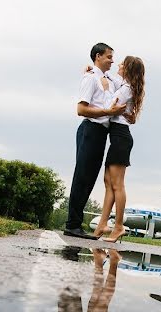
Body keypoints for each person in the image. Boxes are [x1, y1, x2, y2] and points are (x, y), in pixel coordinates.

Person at [63, 42, 128, 240]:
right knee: (82, 176)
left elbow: (126, 84)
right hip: (90, 129)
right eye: (109, 57)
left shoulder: (111, 80)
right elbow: (81, 109)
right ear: (98, 56)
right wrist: (108, 112)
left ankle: (76, 224)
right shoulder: (90, 79)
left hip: (102, 134)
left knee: (90, 178)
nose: (112, 60)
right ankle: (72, 225)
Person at [92, 56, 145, 242]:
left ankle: (119, 225)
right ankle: (102, 224)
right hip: (118, 137)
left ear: (128, 70)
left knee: (117, 185)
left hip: (121, 137)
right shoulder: (126, 86)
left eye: (122, 64)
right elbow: (115, 79)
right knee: (108, 182)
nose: (119, 65)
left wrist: (106, 90)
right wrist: (96, 72)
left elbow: (109, 106)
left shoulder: (126, 90)